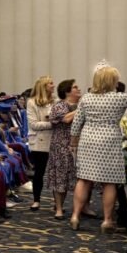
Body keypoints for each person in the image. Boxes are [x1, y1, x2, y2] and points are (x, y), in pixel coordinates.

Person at [70, 65, 127, 234]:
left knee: (83, 179)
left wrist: (73, 143)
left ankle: (75, 216)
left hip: (88, 140)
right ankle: (107, 220)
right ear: (112, 81)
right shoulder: (119, 98)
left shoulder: (86, 98)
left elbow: (76, 124)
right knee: (109, 182)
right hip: (109, 141)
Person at [45, 79, 81, 219]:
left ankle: (80, 207)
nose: (78, 89)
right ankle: (59, 208)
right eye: (75, 87)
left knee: (72, 177)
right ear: (67, 91)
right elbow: (66, 119)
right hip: (61, 146)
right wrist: (81, 109)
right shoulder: (59, 105)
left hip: (78, 145)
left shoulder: (80, 105)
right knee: (60, 176)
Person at [26, 76, 55, 211]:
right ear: (43, 86)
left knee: (55, 173)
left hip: (54, 140)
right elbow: (33, 124)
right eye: (50, 84)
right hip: (39, 142)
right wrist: (52, 123)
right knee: (40, 172)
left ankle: (57, 202)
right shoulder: (31, 102)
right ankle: (36, 199)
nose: (53, 86)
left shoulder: (55, 101)